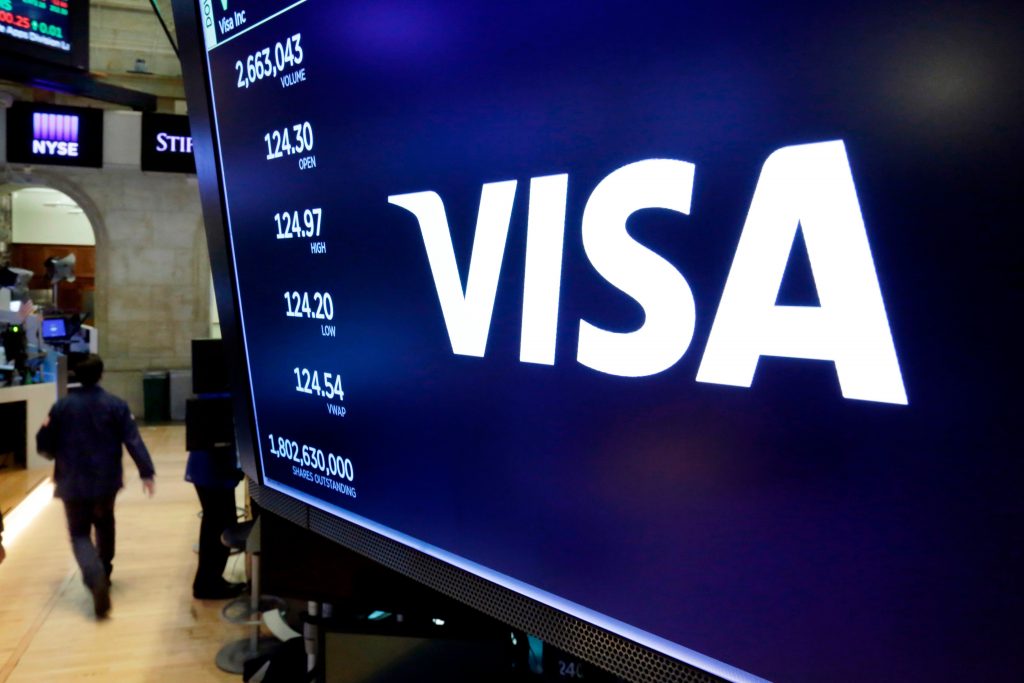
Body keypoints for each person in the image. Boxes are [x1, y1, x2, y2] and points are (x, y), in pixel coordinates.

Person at [36, 353, 156, 617]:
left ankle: (95, 577)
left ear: (76, 376)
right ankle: (105, 570)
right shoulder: (116, 405)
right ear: (101, 374)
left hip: (71, 480)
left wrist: (54, 454)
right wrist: (146, 472)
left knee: (79, 533)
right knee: (105, 522)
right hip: (106, 480)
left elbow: (43, 441)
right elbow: (133, 440)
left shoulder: (62, 407)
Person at [186, 446, 244, 599]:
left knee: (216, 524)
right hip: (214, 467)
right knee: (218, 526)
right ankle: (207, 584)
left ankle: (209, 581)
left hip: (212, 465)